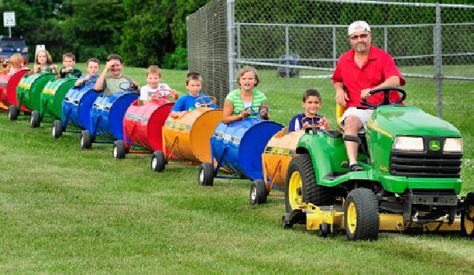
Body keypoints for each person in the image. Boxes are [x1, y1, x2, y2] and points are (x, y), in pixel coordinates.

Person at [332, 20, 405, 172]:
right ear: (350, 40)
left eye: (363, 36)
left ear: (370, 36)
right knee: (351, 121)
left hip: (387, 109)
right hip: (360, 109)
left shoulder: (383, 57)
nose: (360, 40)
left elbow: (395, 79)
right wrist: (339, 90)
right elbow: (337, 79)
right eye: (355, 37)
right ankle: (353, 163)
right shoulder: (344, 59)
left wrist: (373, 90)